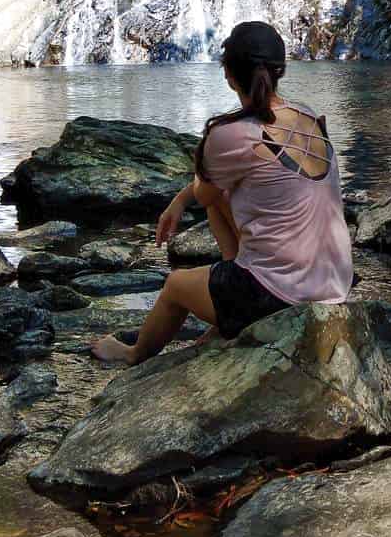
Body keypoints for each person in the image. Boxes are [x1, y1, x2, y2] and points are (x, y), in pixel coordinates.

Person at [92, 21, 354, 364]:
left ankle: (133, 352)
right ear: (280, 70)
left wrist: (184, 197)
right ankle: (227, 309)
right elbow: (209, 193)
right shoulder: (306, 114)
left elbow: (205, 192)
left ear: (229, 74)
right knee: (221, 197)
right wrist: (181, 199)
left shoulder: (230, 133)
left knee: (175, 285)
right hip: (334, 284)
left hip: (281, 297)